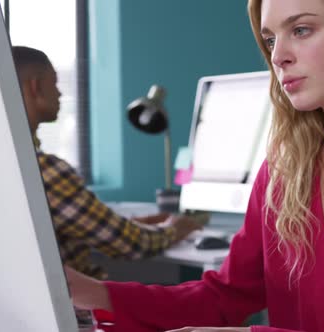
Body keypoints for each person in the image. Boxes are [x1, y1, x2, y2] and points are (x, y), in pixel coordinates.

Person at [64, 0, 324, 331]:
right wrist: (97, 293)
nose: (278, 55)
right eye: (270, 39)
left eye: (301, 30)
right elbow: (225, 298)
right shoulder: (282, 173)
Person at [11, 46, 203, 280]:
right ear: (36, 87)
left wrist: (134, 223)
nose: (60, 94)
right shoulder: (44, 171)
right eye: (55, 83)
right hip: (84, 310)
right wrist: (177, 229)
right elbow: (132, 244)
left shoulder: (7, 165)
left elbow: (87, 228)